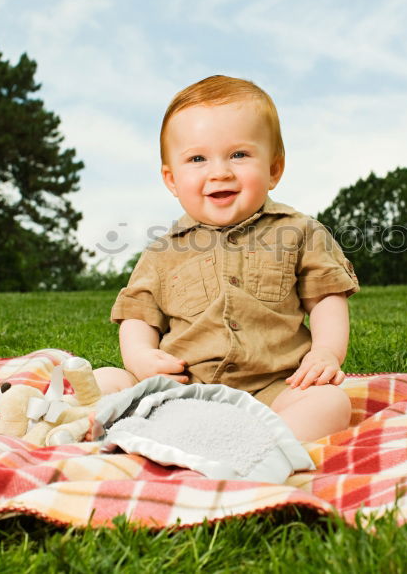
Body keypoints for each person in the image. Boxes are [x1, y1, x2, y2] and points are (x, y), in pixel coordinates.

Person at [95, 75, 359, 441]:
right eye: (197, 158)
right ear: (171, 180)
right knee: (103, 381)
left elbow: (326, 297)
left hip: (274, 390)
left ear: (273, 169)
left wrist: (326, 352)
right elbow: (139, 315)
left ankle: (259, 450)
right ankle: (110, 432)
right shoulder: (163, 252)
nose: (219, 171)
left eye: (239, 154)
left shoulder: (300, 231)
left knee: (330, 403)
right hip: (179, 392)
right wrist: (140, 356)